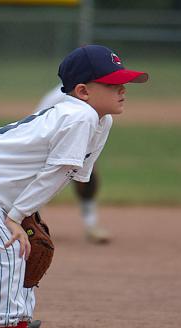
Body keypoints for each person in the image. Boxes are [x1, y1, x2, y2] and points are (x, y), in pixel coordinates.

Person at [0, 44, 148, 328]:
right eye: (112, 83)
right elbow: (56, 172)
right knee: (7, 251)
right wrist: (16, 215)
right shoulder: (79, 116)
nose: (123, 89)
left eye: (124, 82)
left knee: (30, 248)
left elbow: (67, 174)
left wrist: (26, 214)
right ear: (83, 91)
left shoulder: (98, 119)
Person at [35, 85, 109, 244]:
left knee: (88, 176)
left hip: (78, 138)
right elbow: (37, 122)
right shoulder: (58, 95)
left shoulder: (96, 92)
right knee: (37, 181)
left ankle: (91, 224)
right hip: (48, 142)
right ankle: (27, 221)